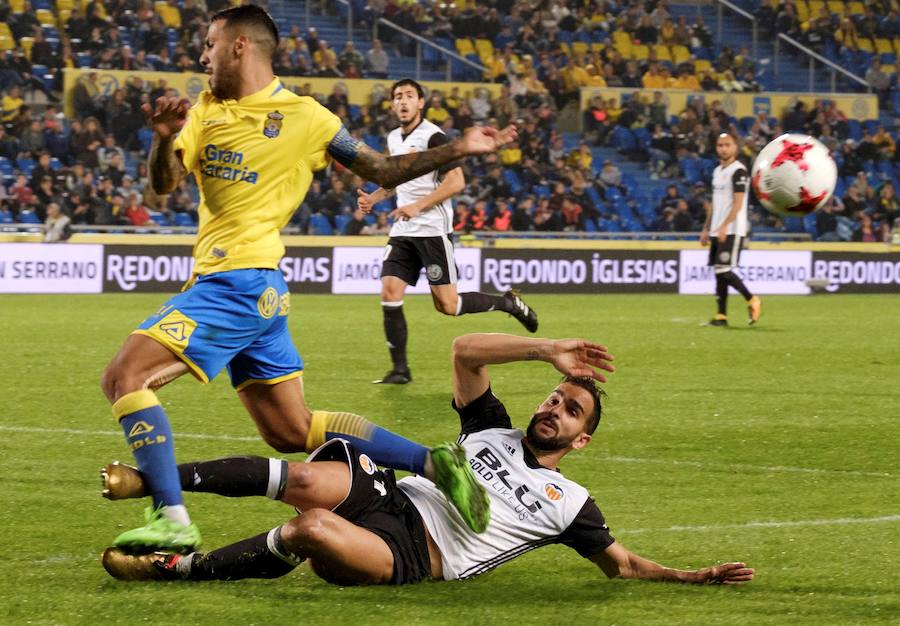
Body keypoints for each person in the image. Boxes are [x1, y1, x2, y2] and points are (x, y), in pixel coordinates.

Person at [99, 5, 519, 555]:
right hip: (258, 291)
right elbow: (162, 187)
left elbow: (382, 170)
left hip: (239, 283)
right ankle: (432, 460)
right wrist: (162, 138)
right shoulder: (202, 110)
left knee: (124, 377)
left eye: (209, 43)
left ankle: (171, 517)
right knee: (291, 431)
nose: (202, 55)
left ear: (240, 46)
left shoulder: (308, 118)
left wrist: (459, 149)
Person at [101, 332, 755, 587]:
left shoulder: (572, 505)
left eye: (571, 412)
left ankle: (180, 570)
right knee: (302, 476)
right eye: (556, 399)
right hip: (392, 495)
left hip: (418, 555)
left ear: (581, 441)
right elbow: (465, 349)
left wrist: (696, 577)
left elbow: (624, 566)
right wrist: (544, 350)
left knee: (310, 528)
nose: (554, 409)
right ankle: (150, 480)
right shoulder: (491, 429)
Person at [356, 79, 538, 385]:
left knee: (448, 306)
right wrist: (374, 198)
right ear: (391, 105)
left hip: (432, 230)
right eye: (398, 96)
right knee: (389, 291)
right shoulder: (393, 137)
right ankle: (400, 370)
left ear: (421, 103)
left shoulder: (433, 136)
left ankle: (508, 303)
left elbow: (456, 182)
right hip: (403, 230)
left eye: (409, 96)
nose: (403, 101)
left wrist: (418, 206)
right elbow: (396, 178)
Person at [700, 132, 761, 326]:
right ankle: (721, 315)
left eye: (727, 145)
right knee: (719, 271)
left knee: (724, 269)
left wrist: (725, 226)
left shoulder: (739, 171)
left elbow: (738, 203)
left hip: (733, 229)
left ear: (735, 147)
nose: (723, 148)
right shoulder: (718, 171)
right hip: (717, 229)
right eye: (720, 145)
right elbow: (714, 202)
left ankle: (751, 298)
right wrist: (706, 228)